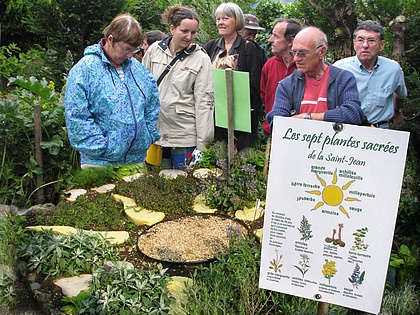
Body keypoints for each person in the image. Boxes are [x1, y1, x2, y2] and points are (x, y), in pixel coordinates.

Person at [65, 13, 160, 167]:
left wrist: (147, 136)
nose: (130, 55)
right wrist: (102, 147)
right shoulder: (84, 70)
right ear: (110, 39)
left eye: (134, 51)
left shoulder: (139, 71)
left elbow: (152, 104)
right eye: (126, 49)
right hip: (98, 163)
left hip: (136, 161)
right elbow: (76, 116)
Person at [142, 5, 214, 169]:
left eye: (193, 32)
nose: (189, 37)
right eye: (184, 31)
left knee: (182, 187)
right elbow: (142, 90)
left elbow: (205, 103)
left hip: (184, 135)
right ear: (172, 29)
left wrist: (202, 146)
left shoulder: (201, 59)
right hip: (155, 134)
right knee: (152, 186)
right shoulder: (154, 51)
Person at [266, 26, 364, 132]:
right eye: (294, 52)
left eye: (303, 53)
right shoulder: (287, 84)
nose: (296, 58)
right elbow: (277, 122)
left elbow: (353, 114)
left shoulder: (343, 79)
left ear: (321, 52)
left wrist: (307, 117)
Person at [204, 2, 263, 152]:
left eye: (225, 18)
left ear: (237, 21)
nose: (220, 22)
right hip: (215, 114)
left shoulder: (248, 48)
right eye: (218, 19)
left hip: (241, 117)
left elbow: (254, 85)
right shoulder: (210, 47)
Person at [334, 20, 407, 129]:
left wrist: (396, 111)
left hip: (381, 130)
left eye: (371, 40)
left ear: (382, 45)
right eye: (360, 40)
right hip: (347, 130)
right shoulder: (340, 68)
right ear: (354, 43)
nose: (365, 45)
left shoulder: (393, 69)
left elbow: (401, 95)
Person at [261, 18, 302, 136]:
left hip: (299, 134)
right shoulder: (269, 65)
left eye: (276, 36)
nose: (270, 40)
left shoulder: (306, 67)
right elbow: (264, 95)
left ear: (291, 41)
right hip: (272, 132)